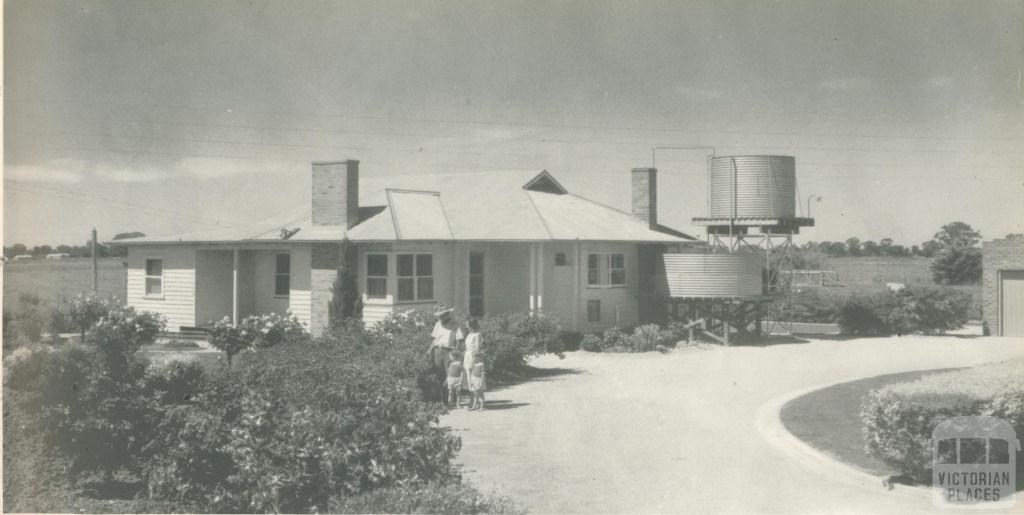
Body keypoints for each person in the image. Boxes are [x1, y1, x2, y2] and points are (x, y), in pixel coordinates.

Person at [462, 318, 481, 388]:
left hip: (473, 356)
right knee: (467, 374)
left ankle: (476, 395)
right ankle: (471, 395)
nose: (466, 326)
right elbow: (467, 346)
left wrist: (474, 359)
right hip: (467, 356)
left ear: (471, 325)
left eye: (467, 324)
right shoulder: (469, 335)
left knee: (473, 375)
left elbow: (477, 348)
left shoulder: (477, 334)